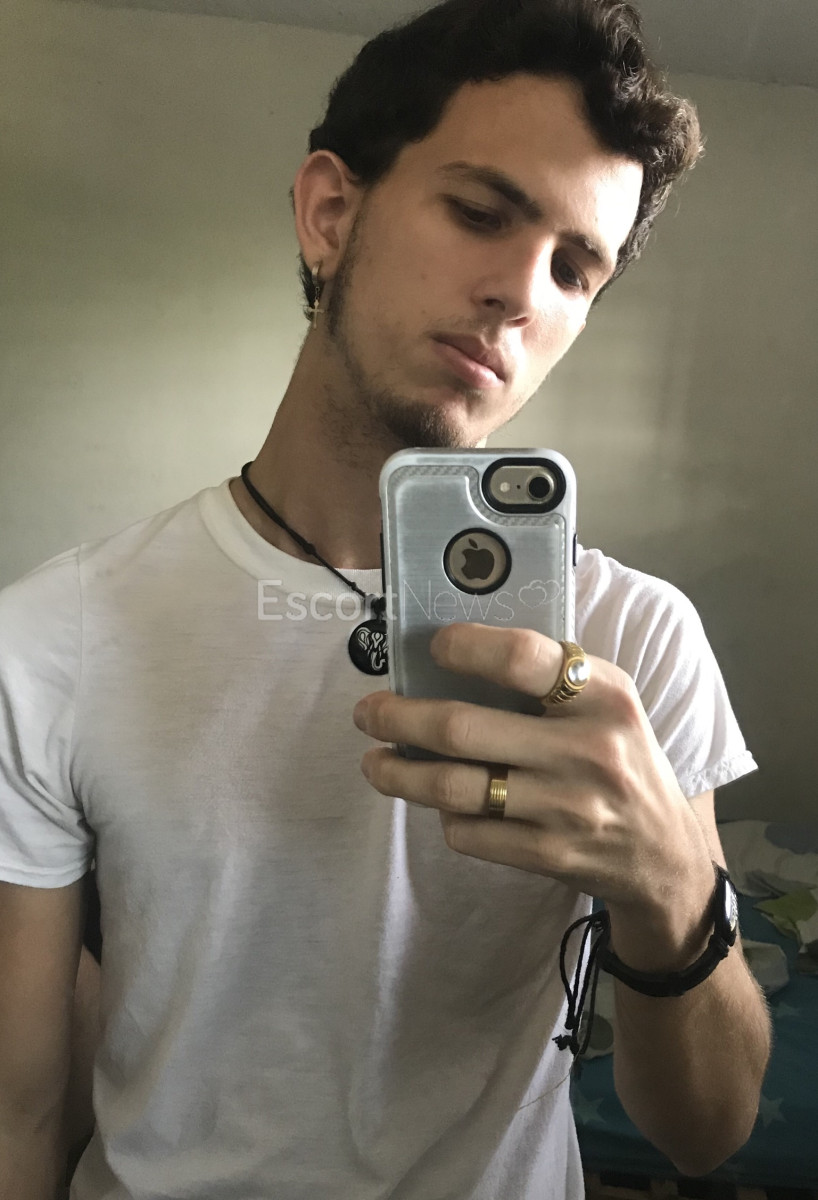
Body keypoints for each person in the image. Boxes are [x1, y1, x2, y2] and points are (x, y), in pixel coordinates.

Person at [0, 0, 771, 1197]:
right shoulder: (57, 636)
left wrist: (670, 889)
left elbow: (703, 1135)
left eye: (573, 268)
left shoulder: (631, 642)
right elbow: (22, 1108)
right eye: (480, 213)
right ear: (330, 213)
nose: (520, 292)